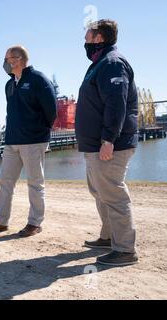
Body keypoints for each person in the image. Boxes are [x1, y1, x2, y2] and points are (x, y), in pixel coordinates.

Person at [76, 19, 139, 266]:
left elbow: (116, 103)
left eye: (88, 36)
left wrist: (108, 139)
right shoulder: (99, 64)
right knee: (100, 192)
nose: (85, 41)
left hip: (111, 143)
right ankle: (109, 236)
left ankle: (125, 250)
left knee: (113, 194)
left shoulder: (112, 63)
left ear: (99, 38)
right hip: (95, 143)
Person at [0, 45, 57, 237]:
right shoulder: (10, 84)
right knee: (5, 182)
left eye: (7, 59)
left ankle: (34, 222)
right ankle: (0, 221)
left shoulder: (38, 79)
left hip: (33, 140)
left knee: (35, 183)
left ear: (18, 59)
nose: (5, 63)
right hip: (12, 140)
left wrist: (38, 132)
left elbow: (51, 111)